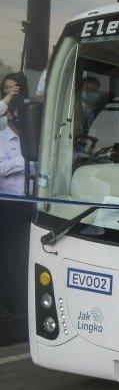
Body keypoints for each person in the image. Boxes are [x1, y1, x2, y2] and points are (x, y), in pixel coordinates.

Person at [0, 82, 31, 318]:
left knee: (24, 255)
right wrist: (24, 164)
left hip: (31, 204)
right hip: (9, 205)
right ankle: (9, 302)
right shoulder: (2, 136)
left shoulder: (32, 138)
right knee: (9, 256)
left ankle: (21, 299)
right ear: (11, 114)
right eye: (21, 113)